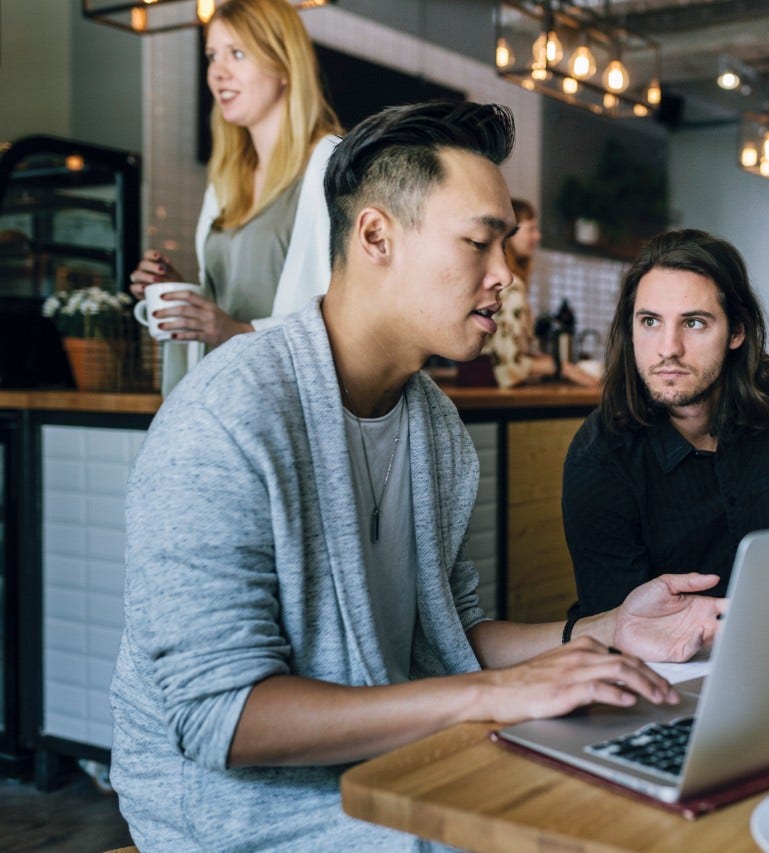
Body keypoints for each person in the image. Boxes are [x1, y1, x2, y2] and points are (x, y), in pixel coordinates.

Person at [110, 101, 726, 851]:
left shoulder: (432, 422)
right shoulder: (227, 418)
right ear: (376, 235)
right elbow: (221, 718)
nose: (504, 275)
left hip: (392, 764)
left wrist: (611, 630)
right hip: (235, 812)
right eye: (479, 243)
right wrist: (494, 695)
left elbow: (449, 637)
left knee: (649, 792)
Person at [561, 229, 769, 619]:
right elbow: (620, 627)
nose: (668, 348)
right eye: (650, 321)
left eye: (694, 323)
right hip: (654, 662)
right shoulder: (600, 457)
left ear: (736, 331)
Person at [127, 0, 341, 350]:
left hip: (288, 397)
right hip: (228, 392)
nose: (217, 72)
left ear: (285, 64)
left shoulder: (330, 164)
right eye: (212, 56)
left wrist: (237, 331)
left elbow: (351, 312)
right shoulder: (227, 178)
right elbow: (228, 304)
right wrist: (179, 292)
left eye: (237, 54)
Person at [480, 198, 598, 388]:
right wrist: (561, 367)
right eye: (531, 229)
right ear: (510, 233)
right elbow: (509, 368)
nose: (538, 236)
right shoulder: (511, 286)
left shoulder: (502, 283)